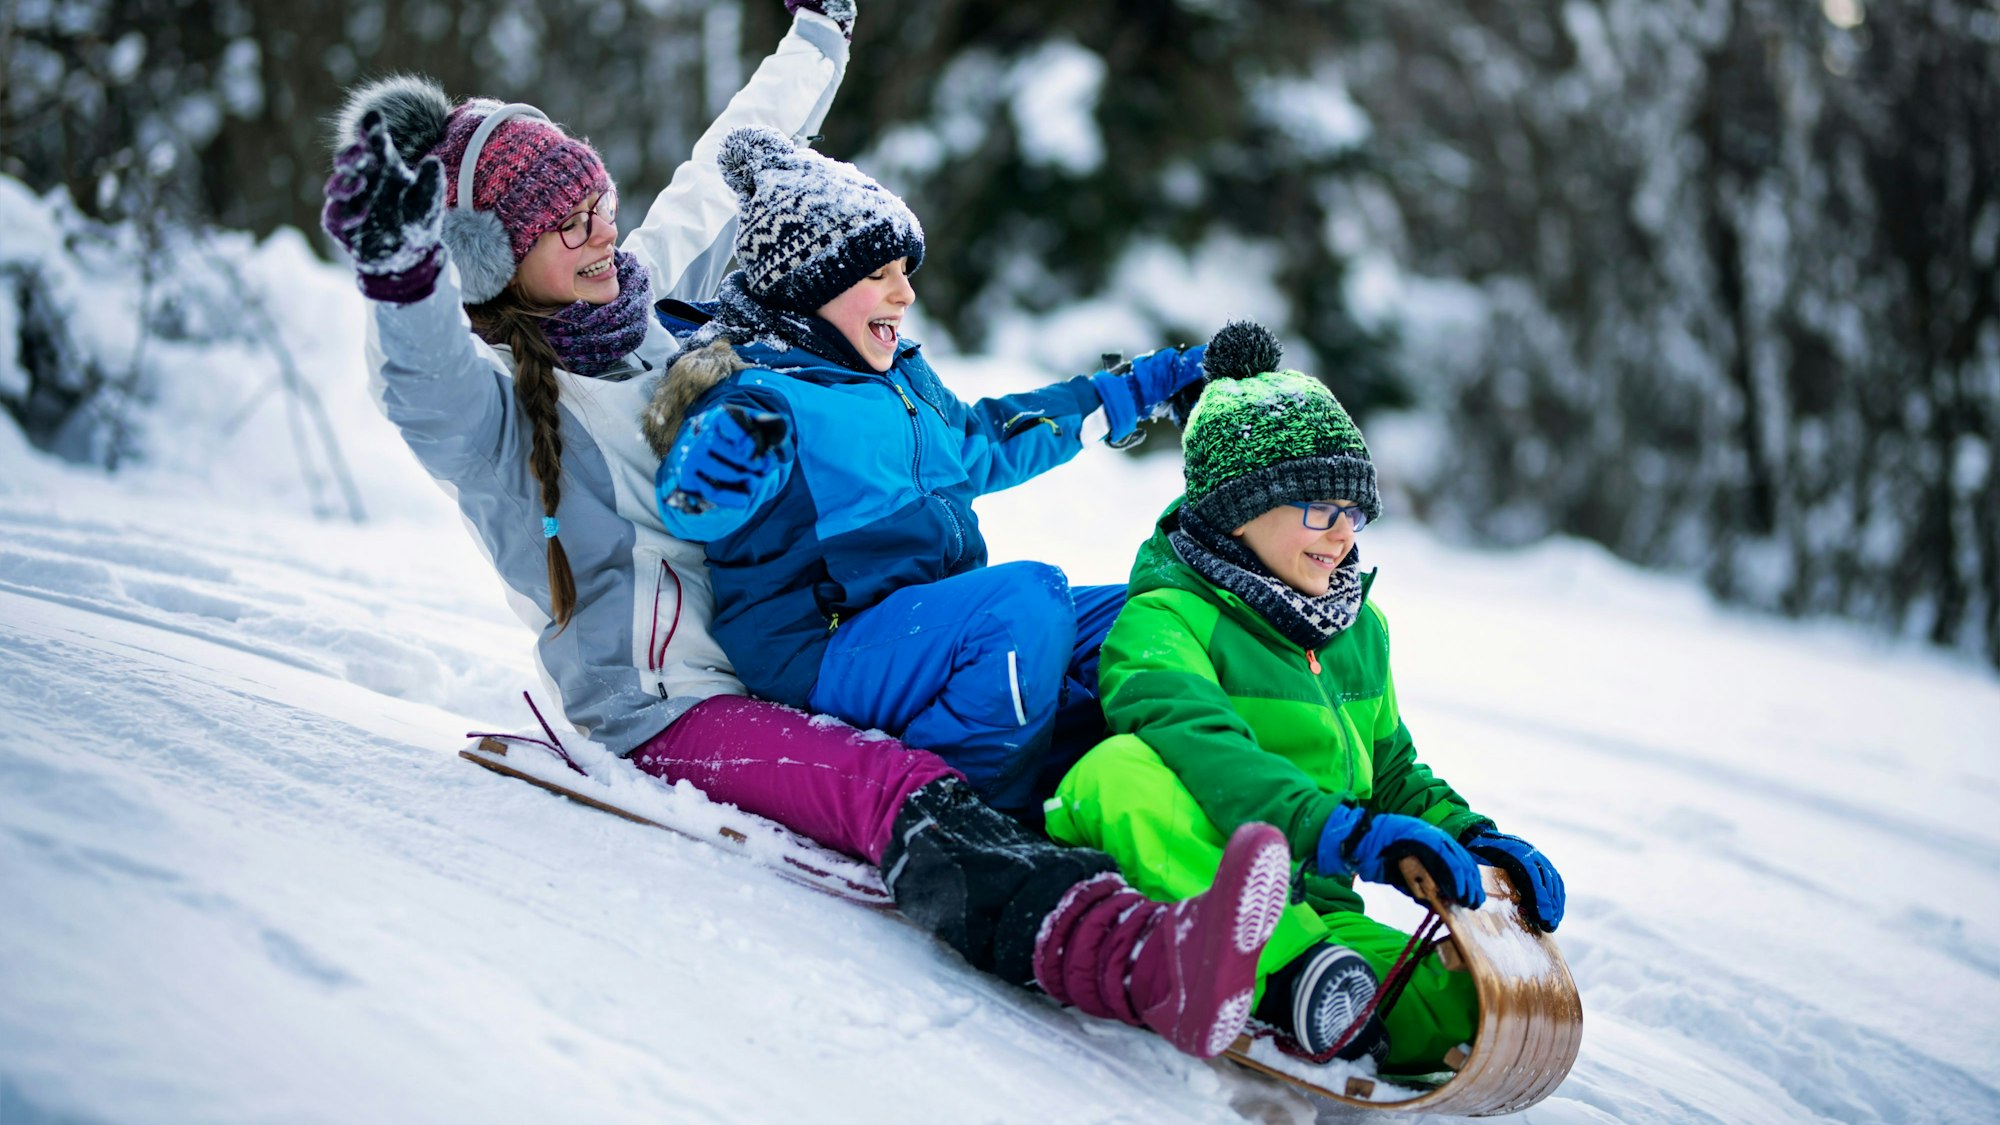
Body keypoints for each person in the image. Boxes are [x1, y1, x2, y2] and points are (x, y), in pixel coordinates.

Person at [318, 1, 1289, 1061]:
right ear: (487, 257)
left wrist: (819, 32)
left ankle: (1287, 875)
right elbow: (417, 385)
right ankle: (1139, 961)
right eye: (561, 227)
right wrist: (396, 267)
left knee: (1128, 634)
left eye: (595, 202)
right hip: (669, 711)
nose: (598, 232)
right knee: (891, 785)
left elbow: (726, 157)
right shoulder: (501, 413)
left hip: (791, 648)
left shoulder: (654, 310)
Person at [1040, 321, 1568, 1072]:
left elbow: (1391, 771)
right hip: (1182, 873)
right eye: (1322, 510)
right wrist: (1338, 830)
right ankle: (1281, 972)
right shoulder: (1162, 618)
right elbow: (1201, 746)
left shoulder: (1358, 628)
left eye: (1355, 512)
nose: (1344, 536)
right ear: (1239, 508)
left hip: (1317, 912)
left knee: (1480, 1008)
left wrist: (1473, 841)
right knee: (1120, 768)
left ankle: (1326, 988)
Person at [644, 126, 1206, 819]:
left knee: (1157, 609)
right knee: (1024, 603)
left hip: (923, 626)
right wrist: (713, 478)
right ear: (808, 285)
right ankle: (962, 813)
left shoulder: (897, 377)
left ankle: (1145, 781)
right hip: (826, 644)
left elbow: (984, 439)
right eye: (879, 275)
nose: (905, 294)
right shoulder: (764, 393)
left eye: (905, 272)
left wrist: (1137, 389)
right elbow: (699, 491)